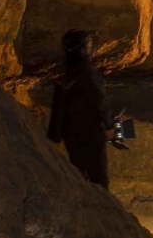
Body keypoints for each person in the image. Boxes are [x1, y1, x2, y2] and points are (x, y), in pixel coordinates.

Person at [47, 29, 112, 188]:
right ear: (83, 48)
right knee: (99, 178)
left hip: (72, 134)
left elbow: (58, 106)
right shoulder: (88, 72)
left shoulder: (64, 73)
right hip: (92, 133)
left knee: (79, 174)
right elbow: (100, 101)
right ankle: (102, 210)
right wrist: (110, 125)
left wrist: (54, 135)